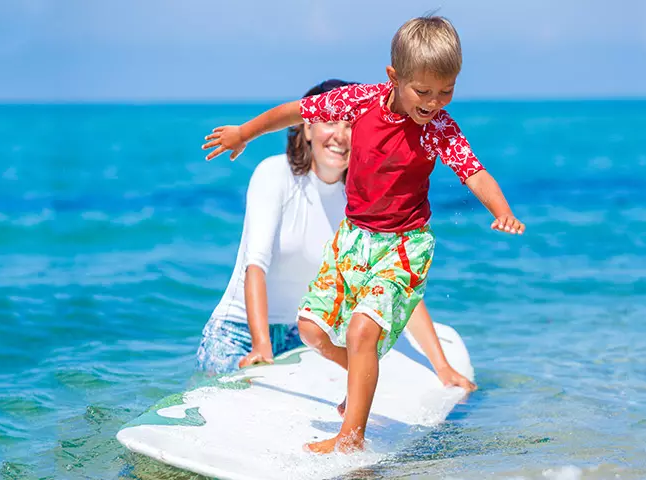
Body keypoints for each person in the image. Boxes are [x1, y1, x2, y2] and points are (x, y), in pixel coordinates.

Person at [202, 15, 524, 454]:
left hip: (405, 246)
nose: (434, 103)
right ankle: (363, 371)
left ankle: (351, 436)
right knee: (311, 328)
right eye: (423, 92)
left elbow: (474, 172)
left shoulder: (438, 130)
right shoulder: (358, 102)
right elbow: (296, 111)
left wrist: (501, 211)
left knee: (359, 333)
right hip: (354, 239)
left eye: (446, 91)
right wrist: (244, 133)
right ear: (394, 77)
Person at [197, 79, 477, 395]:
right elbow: (255, 267)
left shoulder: (359, 198)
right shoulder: (274, 174)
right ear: (306, 128)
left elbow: (395, 283)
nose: (341, 136)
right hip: (239, 335)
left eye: (351, 124)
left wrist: (441, 366)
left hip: (301, 337)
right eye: (330, 121)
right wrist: (262, 346)